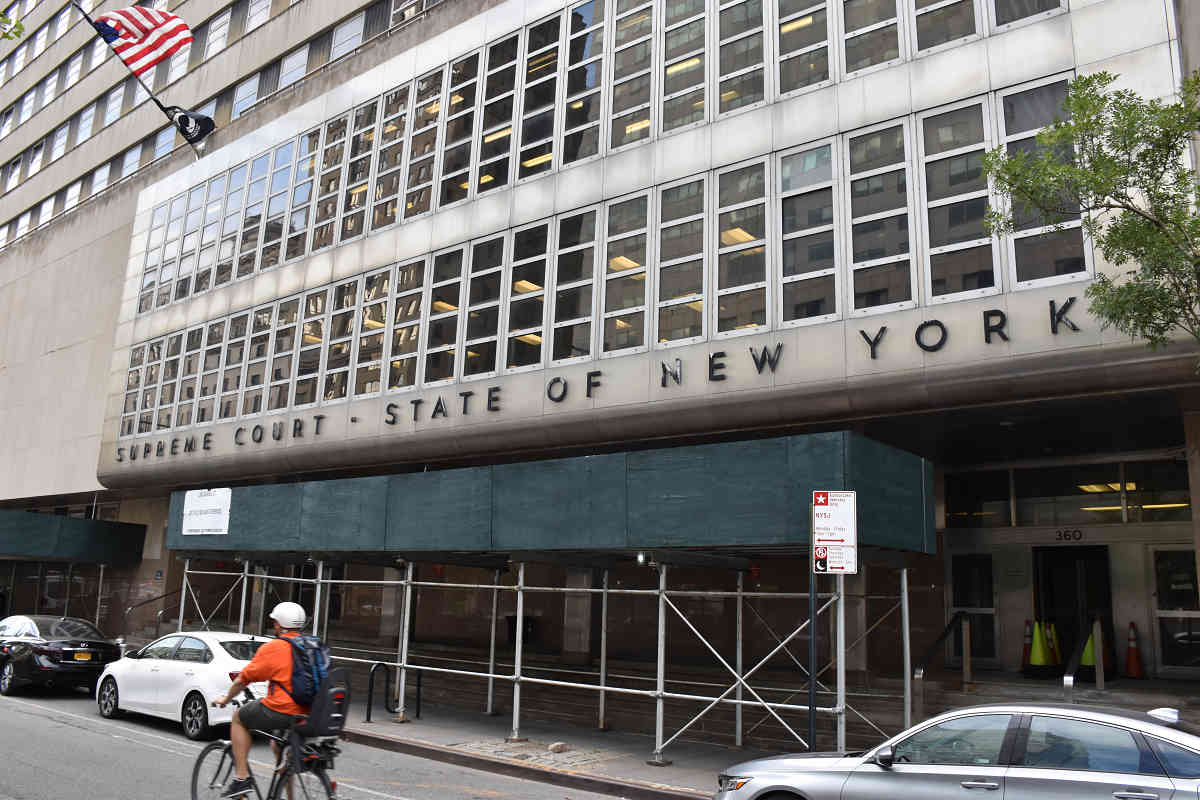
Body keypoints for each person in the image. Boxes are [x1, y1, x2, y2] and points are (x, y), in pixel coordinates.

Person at [213, 601, 310, 798]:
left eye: (274, 621)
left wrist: (225, 699)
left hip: (282, 709)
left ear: (278, 624)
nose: (273, 625)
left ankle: (241, 779)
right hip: (310, 712)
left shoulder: (275, 647)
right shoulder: (313, 645)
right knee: (279, 748)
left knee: (239, 718)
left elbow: (242, 680)